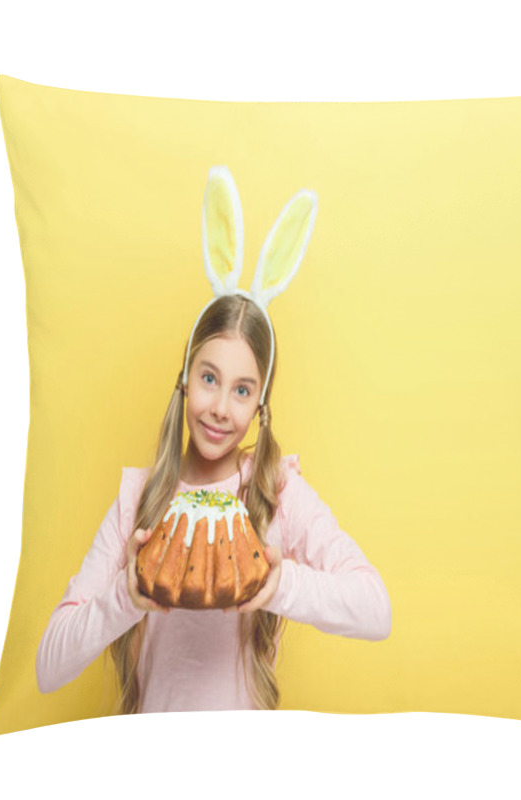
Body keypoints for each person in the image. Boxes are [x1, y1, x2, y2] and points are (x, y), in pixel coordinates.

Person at [35, 166, 392, 715]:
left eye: (243, 390)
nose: (221, 408)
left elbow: (377, 610)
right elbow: (47, 667)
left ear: (260, 405)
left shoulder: (275, 493)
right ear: (184, 376)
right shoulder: (141, 499)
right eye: (209, 379)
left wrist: (278, 585)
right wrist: (127, 595)